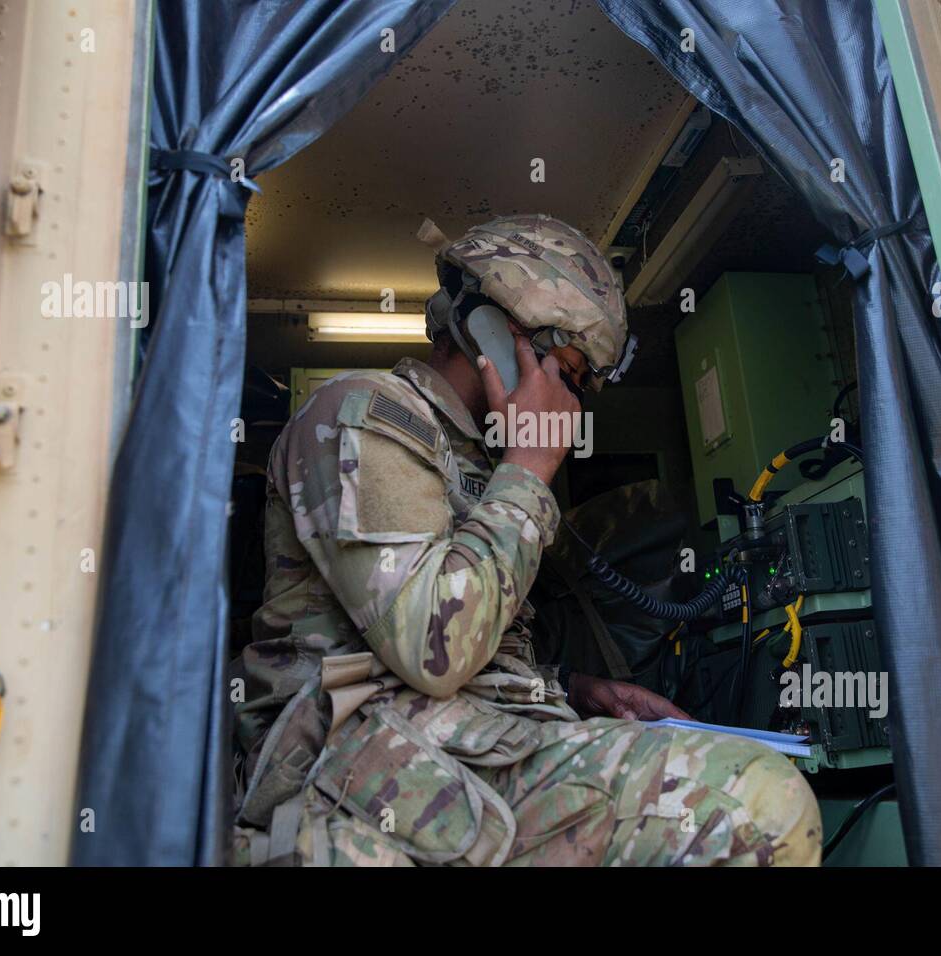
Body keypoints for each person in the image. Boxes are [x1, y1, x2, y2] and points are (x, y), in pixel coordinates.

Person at [230, 213, 820, 866]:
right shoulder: (364, 415)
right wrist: (531, 466)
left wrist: (573, 688)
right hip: (367, 773)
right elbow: (434, 650)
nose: (570, 410)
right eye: (566, 375)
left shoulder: (480, 467)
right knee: (758, 800)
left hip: (458, 757)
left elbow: (476, 666)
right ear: (495, 334)